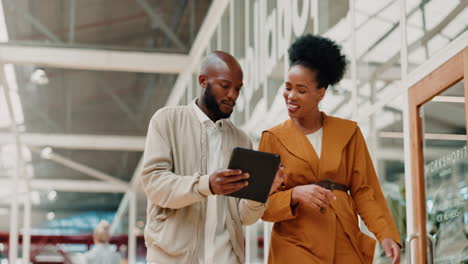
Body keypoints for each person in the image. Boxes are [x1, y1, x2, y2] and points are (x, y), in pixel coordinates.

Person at [259, 35, 401, 264]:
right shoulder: (273, 138)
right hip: (294, 246)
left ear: (321, 92)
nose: (291, 96)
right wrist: (295, 194)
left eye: (301, 90)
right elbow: (262, 206)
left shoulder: (349, 132)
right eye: (287, 88)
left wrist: (386, 234)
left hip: (344, 240)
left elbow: (365, 191)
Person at [141, 51, 281, 264]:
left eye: (237, 89)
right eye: (225, 86)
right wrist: (206, 185)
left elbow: (243, 217)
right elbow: (155, 184)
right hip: (171, 259)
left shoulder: (241, 140)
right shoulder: (166, 120)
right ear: (203, 81)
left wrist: (262, 192)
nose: (232, 95)